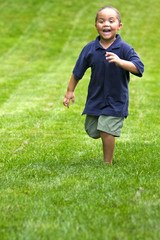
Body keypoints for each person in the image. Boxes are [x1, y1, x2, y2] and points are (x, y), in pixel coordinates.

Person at [63, 6, 144, 165]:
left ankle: (108, 163)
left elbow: (139, 68)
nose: (106, 24)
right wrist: (69, 91)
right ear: (96, 26)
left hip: (115, 99)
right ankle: (109, 131)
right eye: (101, 21)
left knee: (106, 129)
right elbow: (78, 71)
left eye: (111, 21)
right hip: (96, 98)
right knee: (93, 130)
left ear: (119, 26)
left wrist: (120, 62)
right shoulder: (90, 49)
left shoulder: (124, 48)